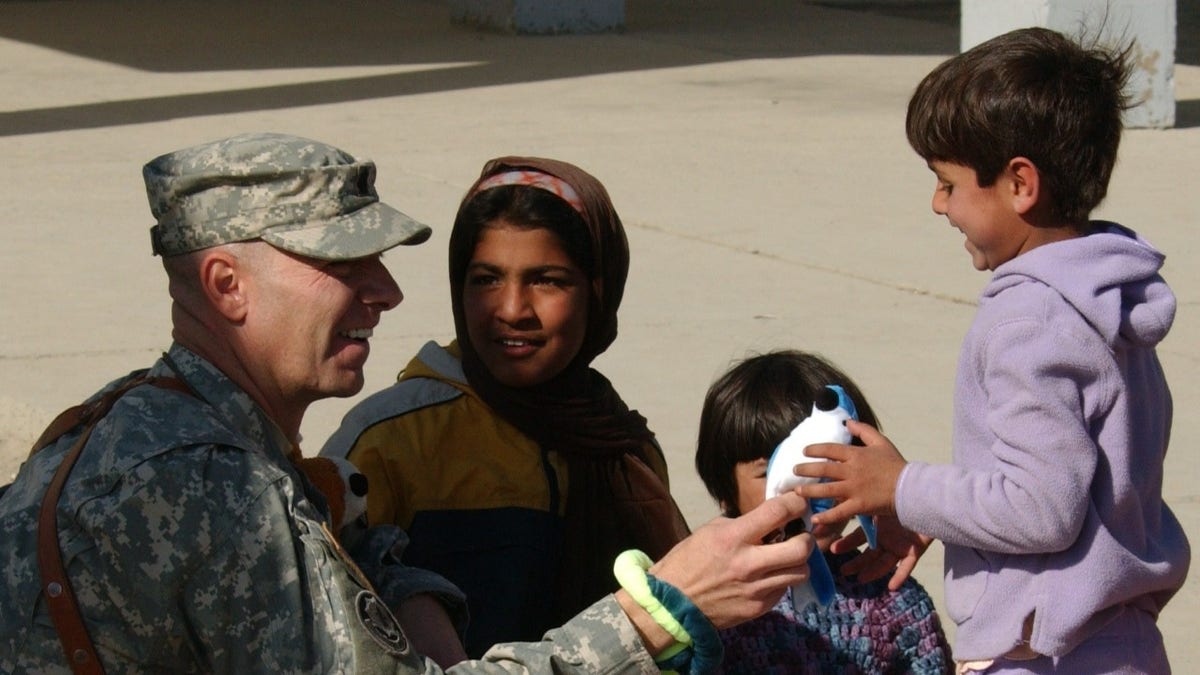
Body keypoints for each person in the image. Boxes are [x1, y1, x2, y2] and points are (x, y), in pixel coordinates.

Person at [0, 132, 817, 674]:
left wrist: (399, 577)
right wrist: (654, 616)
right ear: (227, 286)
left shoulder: (138, 425)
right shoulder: (213, 488)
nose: (387, 291)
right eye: (343, 264)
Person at [795, 27, 1191, 674]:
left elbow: (1041, 509)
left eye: (948, 183)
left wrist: (901, 486)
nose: (937, 203)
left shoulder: (1028, 320)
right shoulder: (1103, 293)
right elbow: (1077, 487)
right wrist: (936, 516)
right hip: (1119, 642)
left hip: (1050, 655)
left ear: (1019, 184)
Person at [321, 156, 691, 657]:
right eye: (487, 279)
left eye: (548, 280)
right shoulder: (390, 443)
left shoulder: (620, 445)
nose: (512, 310)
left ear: (598, 293)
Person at [694, 350, 951, 674]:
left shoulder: (894, 604)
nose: (808, 490)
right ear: (724, 492)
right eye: (773, 473)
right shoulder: (708, 601)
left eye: (828, 468)